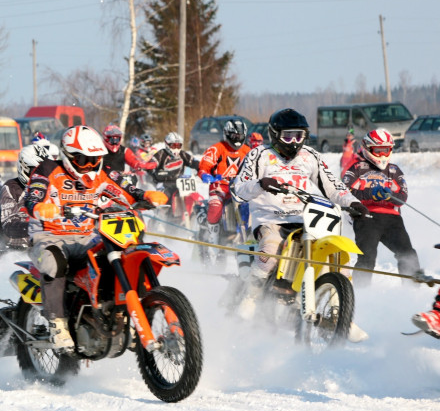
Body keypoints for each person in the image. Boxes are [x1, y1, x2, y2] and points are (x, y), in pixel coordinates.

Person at [231, 108, 369, 341]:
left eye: (299, 136)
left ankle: (342, 314)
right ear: (274, 135)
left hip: (305, 218)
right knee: (272, 248)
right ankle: (251, 297)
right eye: (287, 136)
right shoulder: (260, 155)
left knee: (338, 255)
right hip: (270, 219)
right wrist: (261, 183)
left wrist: (353, 202)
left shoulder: (310, 156)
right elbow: (238, 189)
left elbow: (333, 186)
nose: (294, 142)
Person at [25, 125, 168, 350]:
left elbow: (122, 187)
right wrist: (39, 207)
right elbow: (34, 193)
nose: (91, 165)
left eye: (95, 159)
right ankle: (58, 324)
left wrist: (144, 196)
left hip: (85, 236)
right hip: (48, 235)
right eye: (84, 159)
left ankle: (119, 311)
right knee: (54, 262)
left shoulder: (100, 174)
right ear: (68, 155)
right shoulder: (48, 168)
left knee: (119, 253)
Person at [341, 128, 420, 287]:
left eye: (386, 151)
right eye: (378, 151)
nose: (383, 155)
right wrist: (370, 193)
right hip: (366, 217)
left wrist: (391, 195)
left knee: (408, 254)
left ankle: (412, 290)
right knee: (368, 257)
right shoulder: (357, 169)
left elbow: (403, 197)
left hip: (392, 220)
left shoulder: (394, 170)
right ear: (368, 148)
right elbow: (345, 192)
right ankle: (361, 293)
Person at [198, 119, 251, 252]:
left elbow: (256, 166)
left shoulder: (248, 150)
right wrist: (205, 174)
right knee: (215, 207)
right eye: (234, 136)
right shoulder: (217, 148)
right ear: (227, 134)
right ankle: (213, 239)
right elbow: (205, 164)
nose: (237, 139)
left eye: (240, 136)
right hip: (219, 187)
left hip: (239, 187)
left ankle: (252, 237)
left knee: (254, 207)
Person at [0, 144, 48, 255]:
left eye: (43, 172)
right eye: (36, 172)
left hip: (42, 248)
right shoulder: (10, 189)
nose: (40, 176)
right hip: (13, 250)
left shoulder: (47, 189)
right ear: (24, 167)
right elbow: (9, 226)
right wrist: (39, 227)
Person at [148, 132, 200, 220]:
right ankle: (163, 218)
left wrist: (202, 167)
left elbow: (194, 162)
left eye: (178, 145)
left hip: (180, 183)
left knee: (193, 195)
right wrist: (154, 170)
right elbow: (151, 164)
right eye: (173, 145)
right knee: (165, 199)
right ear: (167, 144)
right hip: (164, 183)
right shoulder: (161, 154)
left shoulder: (183, 154)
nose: (176, 148)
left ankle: (193, 214)